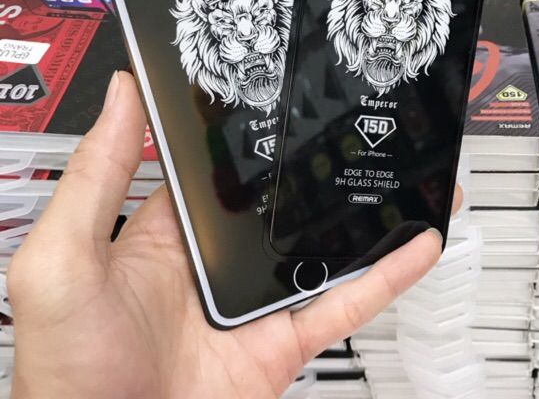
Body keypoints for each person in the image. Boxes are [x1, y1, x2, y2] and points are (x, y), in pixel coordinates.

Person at [8, 71, 461, 398]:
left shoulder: (271, 109)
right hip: (253, 226)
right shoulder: (221, 135)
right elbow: (230, 194)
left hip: (274, 216)